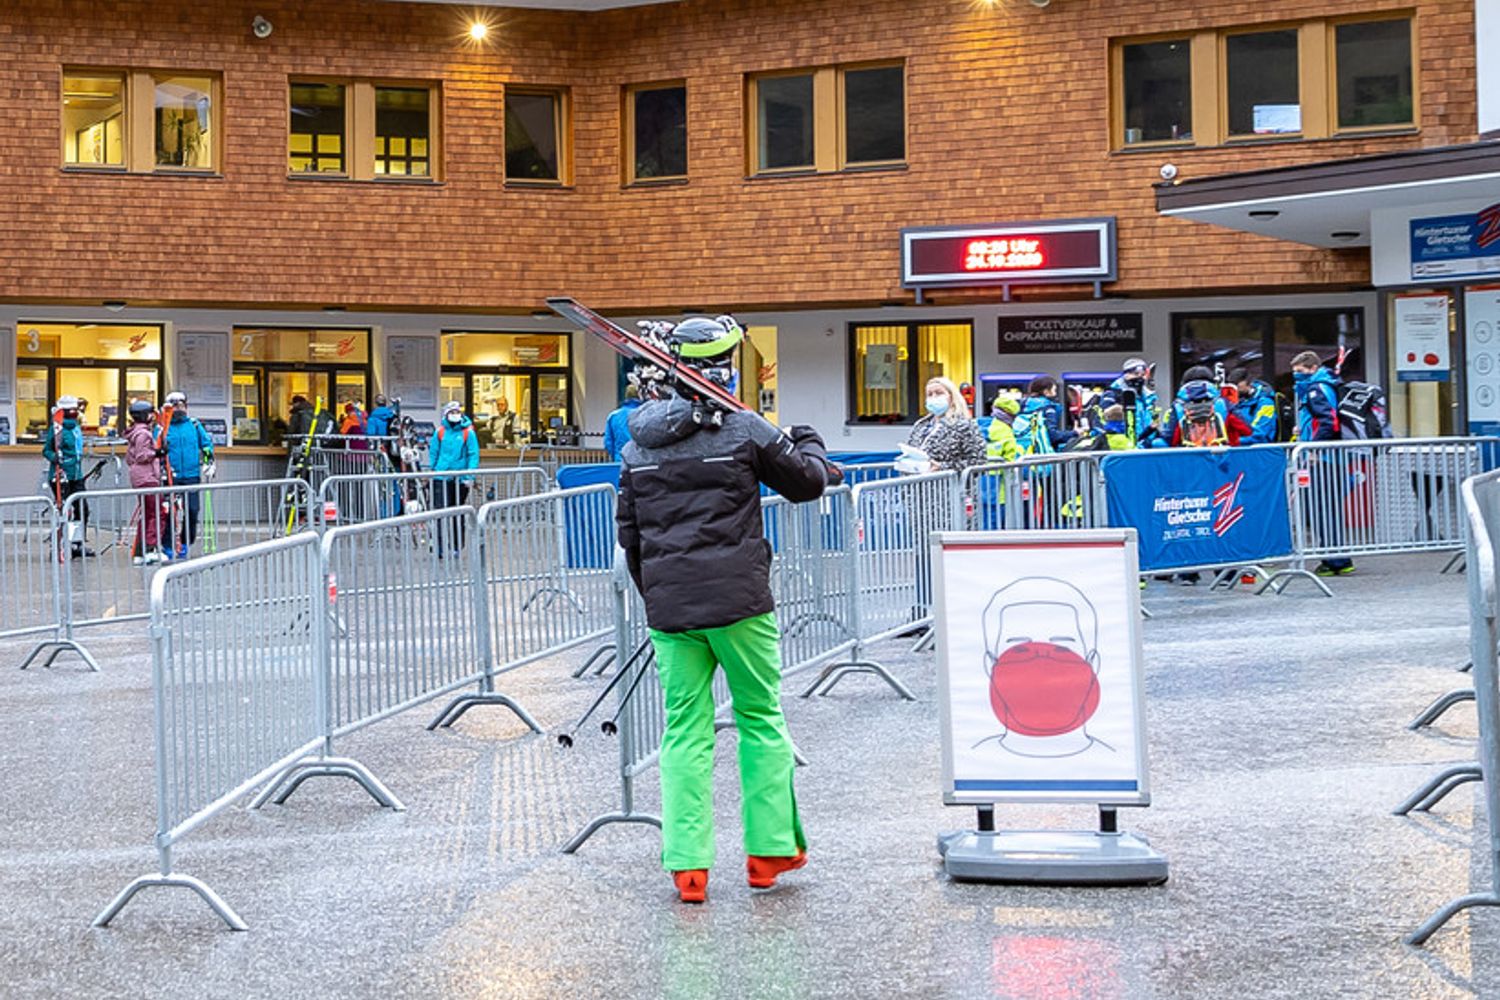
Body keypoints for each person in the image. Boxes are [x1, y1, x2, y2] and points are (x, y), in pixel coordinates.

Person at [617, 314, 831, 904]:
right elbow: (808, 481)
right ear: (724, 368)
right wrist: (808, 438)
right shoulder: (745, 431)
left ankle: (688, 868)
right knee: (759, 719)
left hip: (671, 611)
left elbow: (630, 538)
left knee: (684, 732)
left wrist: (659, 597)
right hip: (741, 603)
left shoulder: (637, 445)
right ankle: (767, 854)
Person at [1292, 351, 1354, 577]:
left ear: (1311, 368)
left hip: (1323, 459)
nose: (1295, 376)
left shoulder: (1317, 388)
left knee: (1321, 510)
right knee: (1328, 509)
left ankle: (1334, 559)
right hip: (1331, 458)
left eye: (1299, 371)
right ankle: (1337, 557)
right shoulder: (1327, 384)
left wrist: (1314, 448)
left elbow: (1328, 422)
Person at [161, 391, 215, 561]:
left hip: (191, 475)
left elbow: (206, 444)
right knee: (169, 512)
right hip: (171, 476)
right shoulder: (163, 427)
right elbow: (156, 449)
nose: (178, 407)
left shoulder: (194, 425)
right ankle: (168, 545)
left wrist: (209, 461)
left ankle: (185, 542)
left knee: (192, 510)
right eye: (174, 404)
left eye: (181, 404)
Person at [42, 394, 92, 558]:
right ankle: (58, 545)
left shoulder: (76, 427)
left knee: (82, 509)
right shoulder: (57, 428)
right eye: (71, 409)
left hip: (76, 475)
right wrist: (53, 457)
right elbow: (47, 450)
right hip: (61, 475)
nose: (75, 412)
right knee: (63, 511)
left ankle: (77, 543)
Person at [1154, 366, 1251, 448]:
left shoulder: (1178, 406)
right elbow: (1247, 430)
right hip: (1221, 462)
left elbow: (1169, 439)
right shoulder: (1224, 404)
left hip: (1189, 462)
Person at [429, 400, 480, 555]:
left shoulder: (468, 433)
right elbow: (434, 453)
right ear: (446, 414)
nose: (455, 414)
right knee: (439, 513)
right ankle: (438, 546)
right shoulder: (439, 432)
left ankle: (457, 546)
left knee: (456, 513)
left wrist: (469, 476)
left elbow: (473, 454)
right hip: (441, 476)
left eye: (457, 411)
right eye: (451, 412)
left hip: (460, 478)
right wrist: (434, 470)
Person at [906, 376, 985, 473]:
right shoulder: (920, 425)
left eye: (939, 393)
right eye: (929, 394)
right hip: (918, 484)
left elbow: (978, 462)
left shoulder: (964, 425)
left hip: (949, 485)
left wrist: (942, 467)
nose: (933, 397)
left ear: (952, 397)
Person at [123, 399, 164, 565]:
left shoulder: (136, 432)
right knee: (156, 512)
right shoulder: (143, 434)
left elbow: (129, 457)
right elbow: (141, 455)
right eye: (149, 414)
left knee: (147, 513)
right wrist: (157, 453)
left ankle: (140, 551)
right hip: (146, 478)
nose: (152, 417)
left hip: (140, 477)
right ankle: (150, 548)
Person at [1099, 359, 1159, 445]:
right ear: (1126, 375)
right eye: (1135, 374)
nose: (1139, 377)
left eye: (1142, 374)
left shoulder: (1146, 397)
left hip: (1146, 442)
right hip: (1123, 444)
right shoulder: (1113, 394)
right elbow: (1106, 420)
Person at [1015, 375, 1077, 454]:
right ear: (1046, 392)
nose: (1055, 394)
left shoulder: (1022, 407)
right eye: (1054, 390)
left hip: (1023, 452)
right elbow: (1052, 436)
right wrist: (1074, 433)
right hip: (1041, 454)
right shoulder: (1048, 409)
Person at [1228, 367, 1279, 444]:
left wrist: (1234, 441)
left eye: (1237, 385)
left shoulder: (1266, 403)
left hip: (1260, 450)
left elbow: (1260, 432)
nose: (1234, 389)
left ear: (1248, 382)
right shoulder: (1234, 402)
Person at [603, 384, 642, 461]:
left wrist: (616, 456)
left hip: (620, 460)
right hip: (641, 462)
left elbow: (608, 443)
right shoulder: (645, 414)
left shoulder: (613, 416)